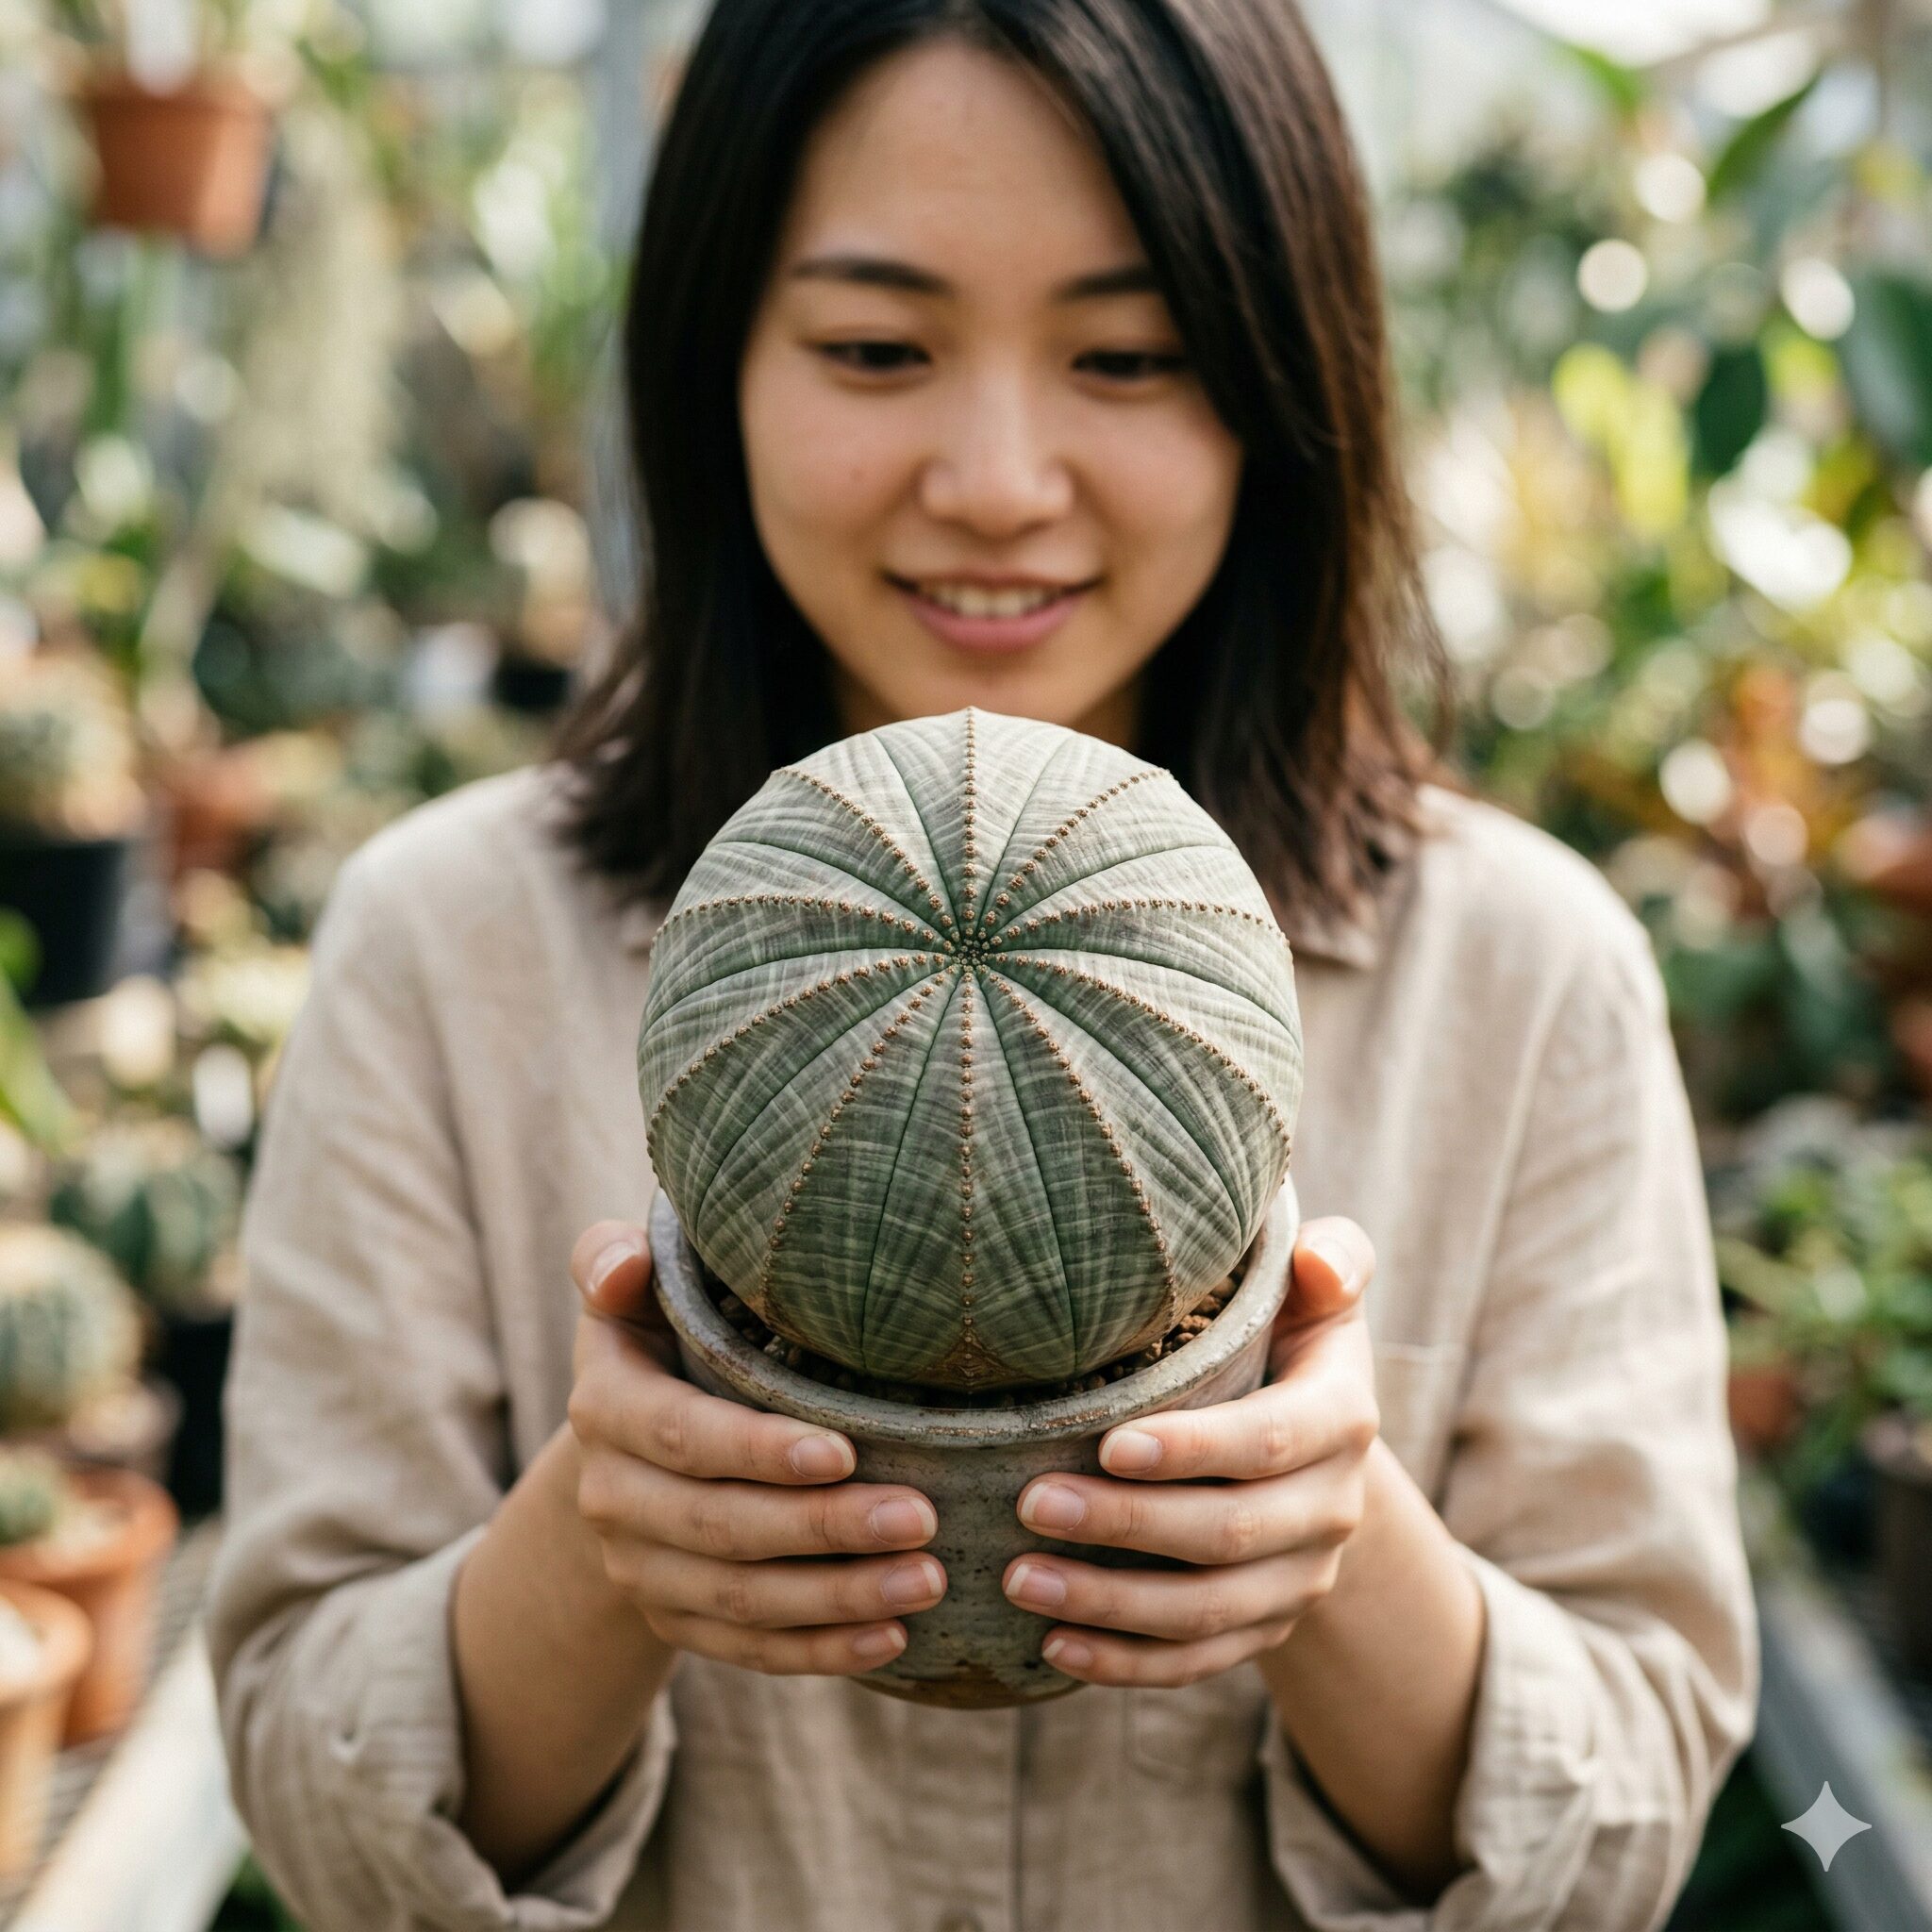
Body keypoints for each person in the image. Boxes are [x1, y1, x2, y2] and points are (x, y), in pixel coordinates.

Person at [206, 3, 1759, 1928]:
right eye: (875, 348)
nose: (1000, 478)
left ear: (1284, 385)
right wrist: (598, 1555)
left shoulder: (1524, 974)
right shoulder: (443, 944)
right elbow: (302, 1784)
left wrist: (1332, 1552)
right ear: (717, 366)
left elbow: (1628, 1810)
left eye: (1124, 355)